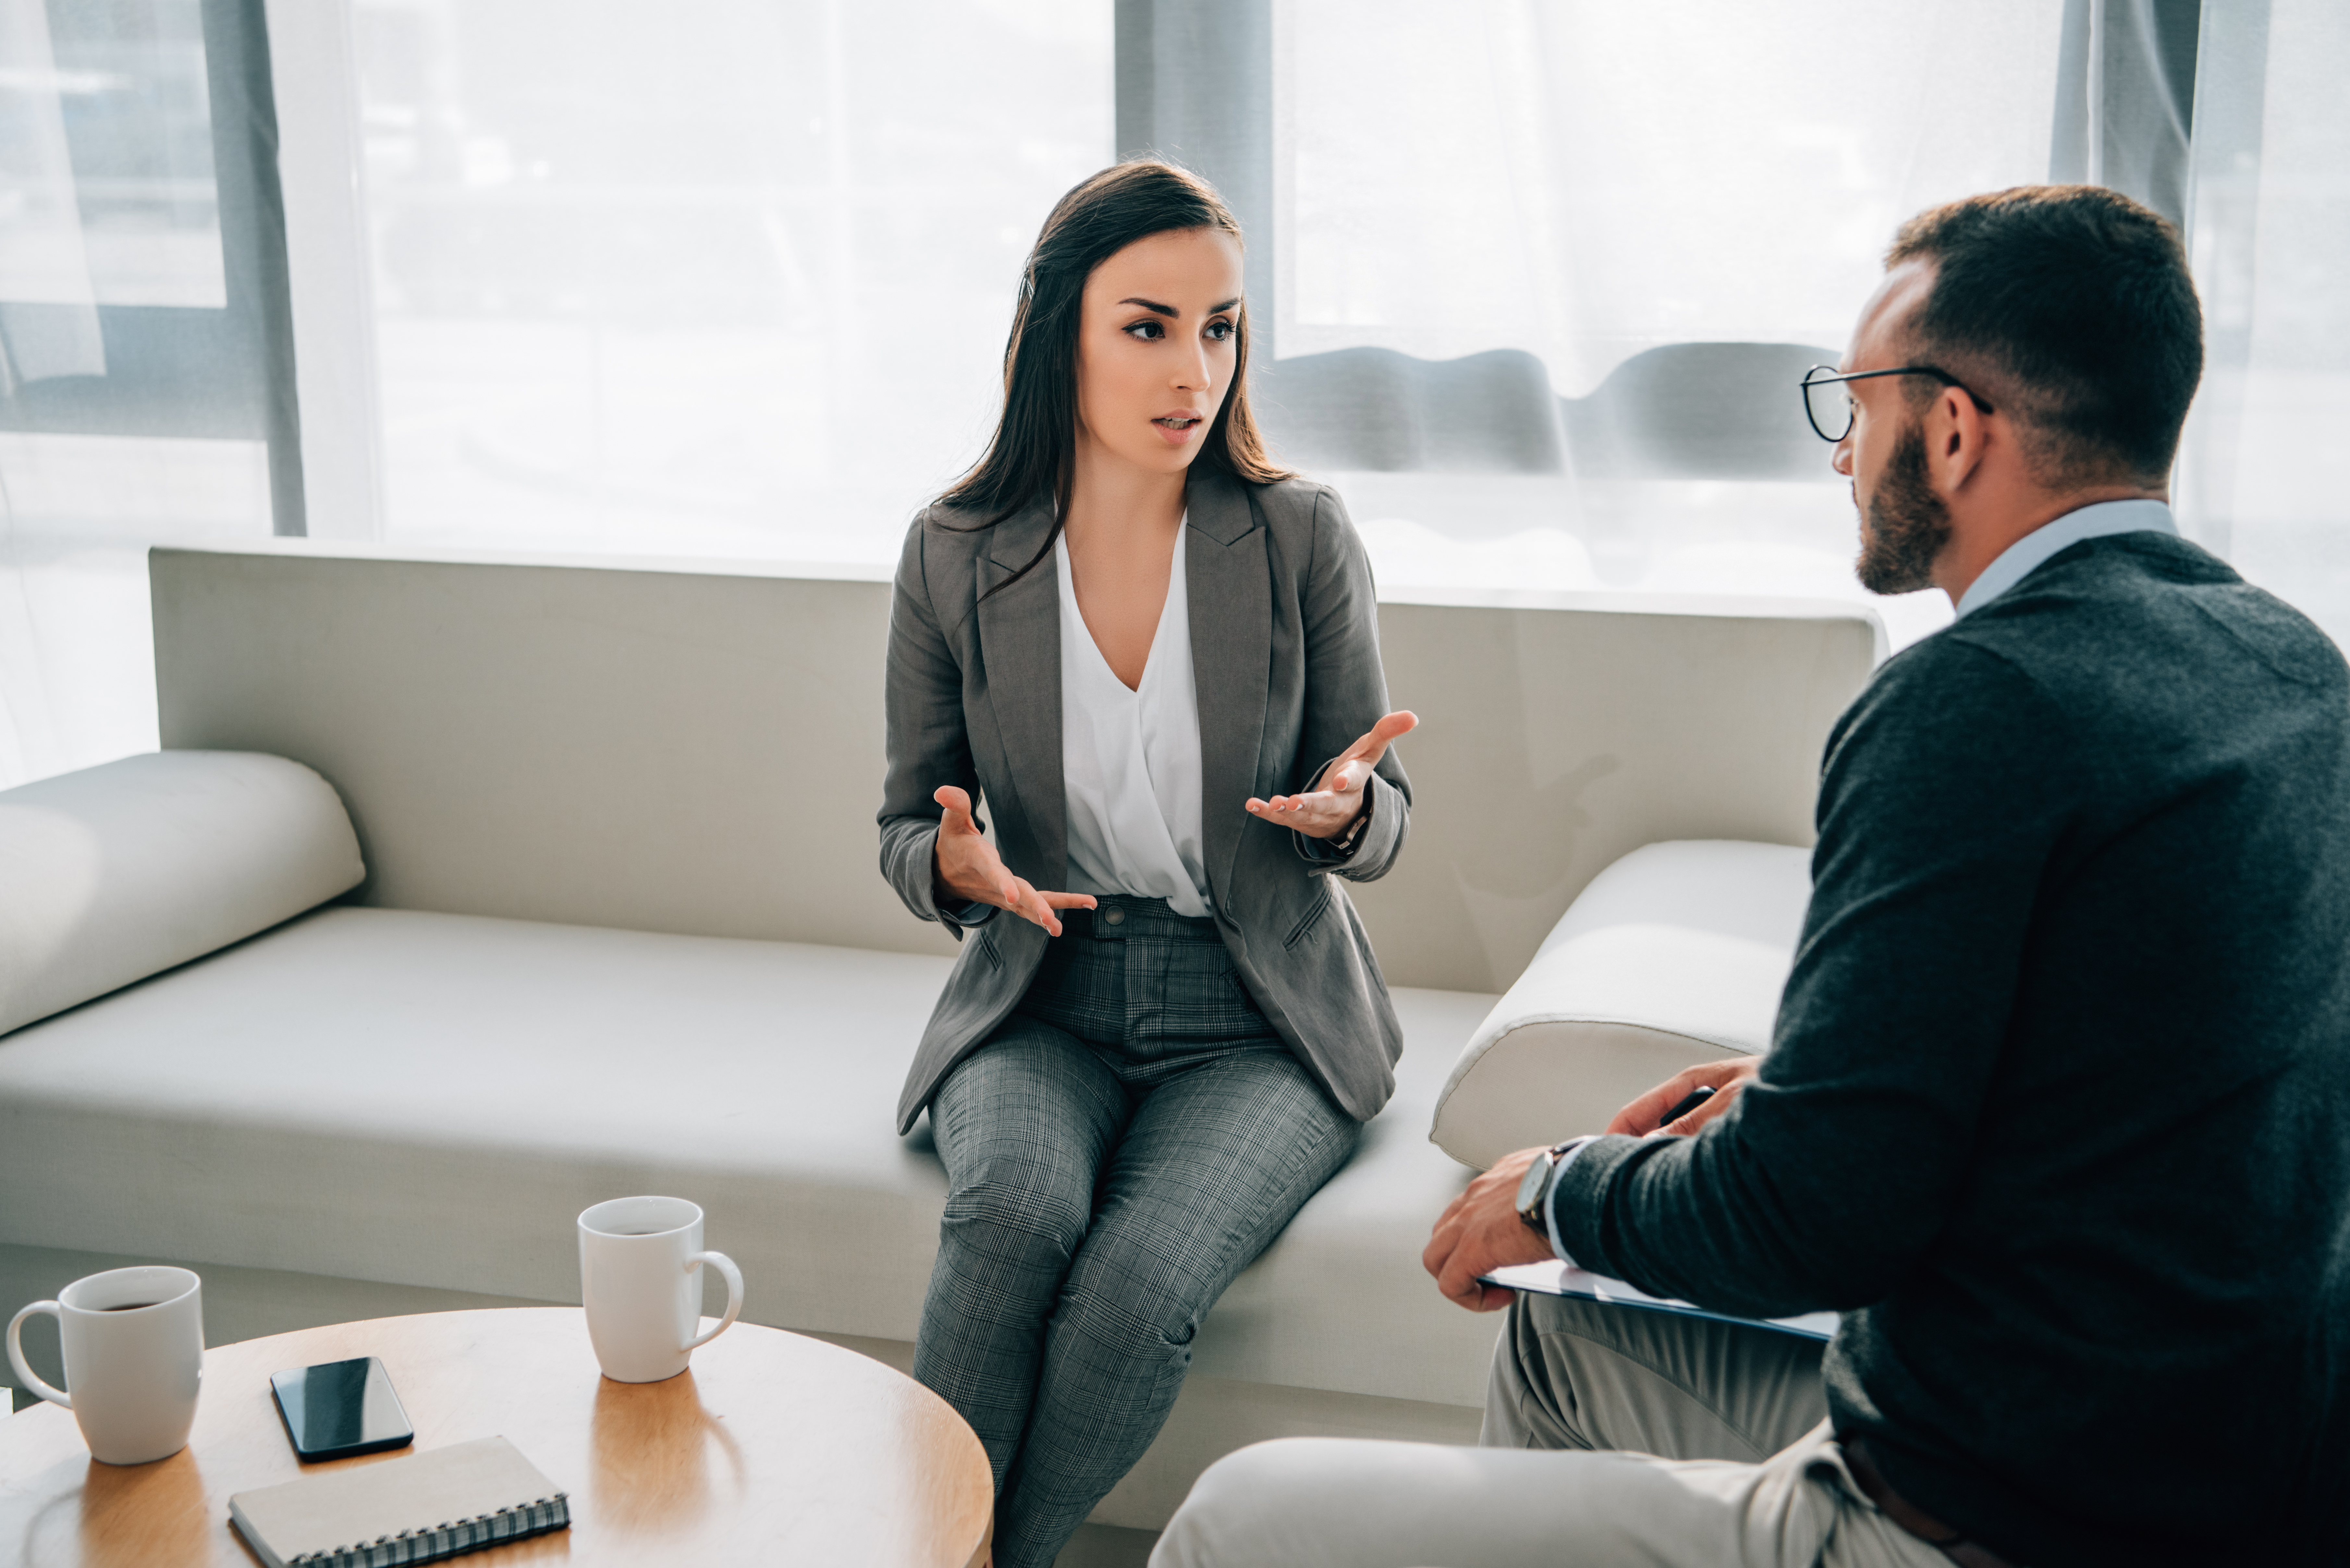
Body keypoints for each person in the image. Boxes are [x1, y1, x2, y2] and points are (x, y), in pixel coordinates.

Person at [1150, 185, 2350, 1568]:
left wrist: (1553, 1186)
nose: (1843, 454)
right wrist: (1805, 1089)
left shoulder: (1975, 699)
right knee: (1566, 1336)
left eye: (1856, 406)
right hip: (2220, 1475)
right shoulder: (2285, 663)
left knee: (1234, 1519)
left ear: (1951, 430)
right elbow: (2153, 1073)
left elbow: (1812, 1220)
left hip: (1992, 1516)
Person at [877, 159, 1418, 1568]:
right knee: (1009, 1222)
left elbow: (1385, 807)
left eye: (1220, 327)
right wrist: (953, 869)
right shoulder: (954, 552)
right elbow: (900, 824)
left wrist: (1347, 813)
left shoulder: (1296, 533)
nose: (1194, 369)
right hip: (1044, 990)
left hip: (1255, 1017)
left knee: (1134, 1283)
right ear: (1058, 329)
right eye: (1147, 326)